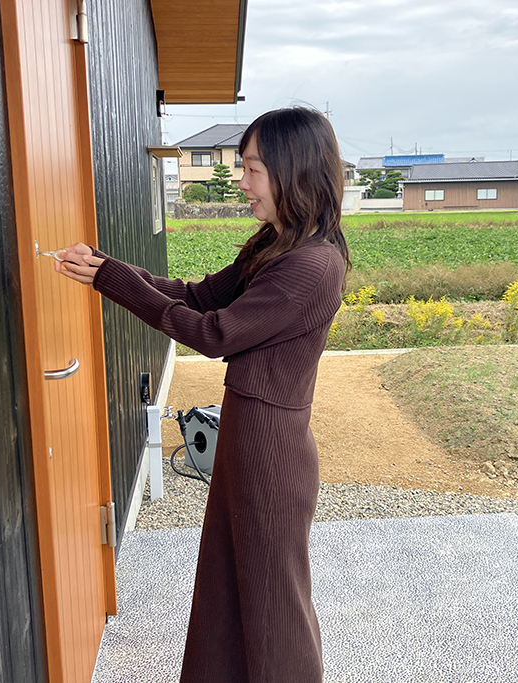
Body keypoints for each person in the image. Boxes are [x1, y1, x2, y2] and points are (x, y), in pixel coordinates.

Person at [54, 106, 350, 683]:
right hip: (250, 436)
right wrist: (105, 268)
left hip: (272, 451)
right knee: (227, 585)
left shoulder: (311, 265)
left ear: (294, 171)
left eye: (254, 169)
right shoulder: (277, 246)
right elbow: (197, 296)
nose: (242, 182)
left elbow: (213, 333)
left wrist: (109, 281)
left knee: (272, 604)